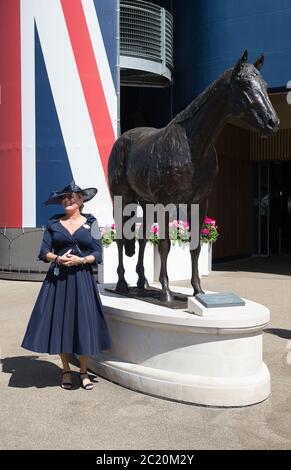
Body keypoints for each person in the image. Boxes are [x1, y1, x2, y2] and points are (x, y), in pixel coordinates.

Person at [22, 181, 112, 390]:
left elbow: (98, 253)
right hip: (59, 280)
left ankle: (83, 371)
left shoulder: (93, 223)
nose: (67, 200)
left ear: (81, 200)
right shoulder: (53, 223)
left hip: (83, 278)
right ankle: (65, 370)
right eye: (63, 198)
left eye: (71, 197)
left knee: (84, 323)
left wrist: (81, 260)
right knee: (62, 322)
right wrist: (58, 259)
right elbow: (44, 252)